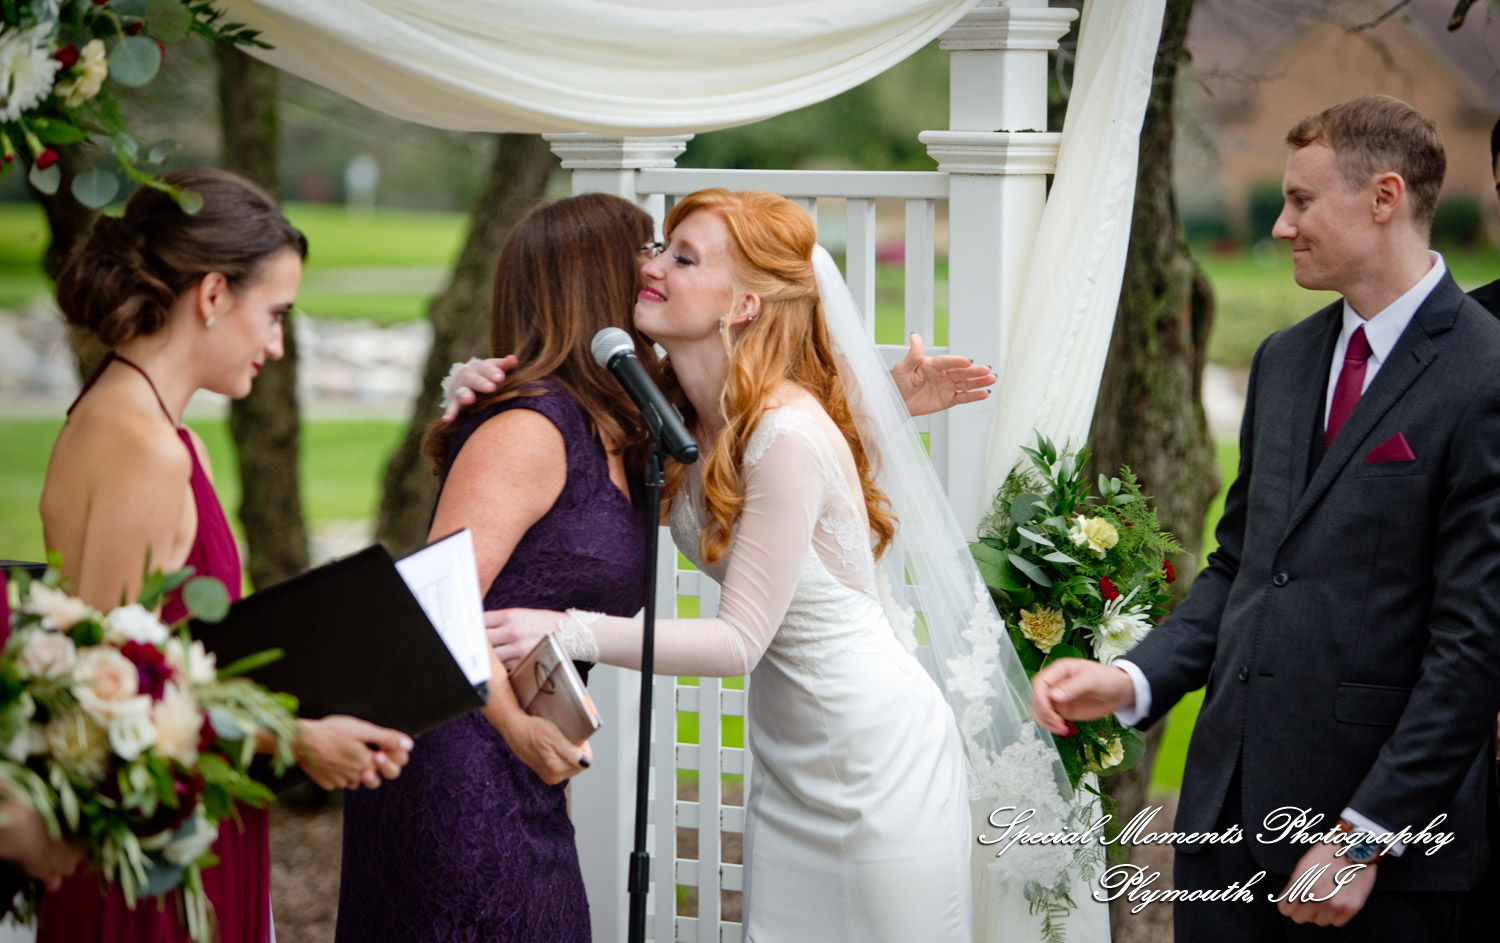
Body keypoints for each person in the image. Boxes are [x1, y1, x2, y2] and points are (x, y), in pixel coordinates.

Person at [485, 188, 1014, 943]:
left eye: (684, 257)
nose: (654, 266)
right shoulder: (674, 416)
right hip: (790, 759)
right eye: (661, 248)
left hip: (876, 759)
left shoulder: (786, 432)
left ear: (743, 305)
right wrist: (476, 385)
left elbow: (739, 642)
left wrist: (570, 630)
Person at [1029, 95, 1500, 940]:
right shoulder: (1284, 362)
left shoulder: (1485, 372)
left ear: (1384, 197)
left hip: (1378, 852)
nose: (1283, 226)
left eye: (1302, 201)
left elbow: (1473, 642)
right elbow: (1242, 565)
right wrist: (1134, 678)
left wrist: (1367, 833)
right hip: (1226, 821)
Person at [35, 167, 412, 943]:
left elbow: (178, 649)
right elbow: (111, 697)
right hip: (153, 845)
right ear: (211, 295)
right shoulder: (144, 447)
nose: (276, 344)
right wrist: (299, 738)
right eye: (273, 314)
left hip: (201, 809)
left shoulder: (155, 429)